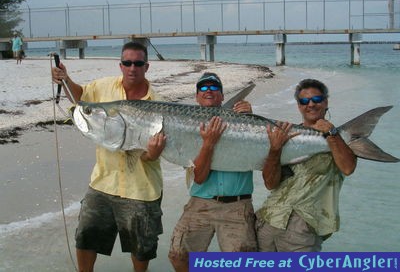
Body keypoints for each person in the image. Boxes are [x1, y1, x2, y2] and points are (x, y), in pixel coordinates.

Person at [51, 42, 166, 272]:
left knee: (141, 248)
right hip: (103, 183)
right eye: (127, 63)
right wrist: (65, 79)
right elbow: (80, 98)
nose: (132, 68)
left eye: (138, 63)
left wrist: (152, 154)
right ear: (121, 65)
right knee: (85, 237)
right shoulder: (104, 88)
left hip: (142, 189)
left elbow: (151, 155)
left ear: (147, 66)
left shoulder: (157, 104)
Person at [168, 72, 257, 272]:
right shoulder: (185, 126)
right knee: (178, 255)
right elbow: (199, 177)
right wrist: (208, 143)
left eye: (214, 87)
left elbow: (259, 144)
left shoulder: (243, 120)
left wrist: (250, 118)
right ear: (197, 96)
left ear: (223, 96)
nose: (209, 91)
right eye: (204, 88)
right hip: (201, 202)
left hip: (237, 204)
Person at [256, 78, 357, 252]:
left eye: (316, 100)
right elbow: (270, 184)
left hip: (303, 229)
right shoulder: (285, 135)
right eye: (304, 101)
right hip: (268, 220)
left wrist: (331, 133)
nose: (310, 104)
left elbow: (348, 167)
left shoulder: (339, 138)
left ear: (325, 102)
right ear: (298, 105)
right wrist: (275, 150)